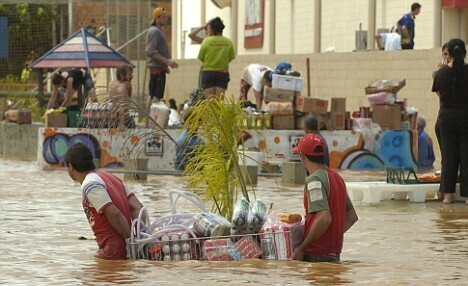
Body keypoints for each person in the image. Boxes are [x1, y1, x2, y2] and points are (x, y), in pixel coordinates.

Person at [64, 143, 144, 259]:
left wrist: (131, 242)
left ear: (70, 166)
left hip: (112, 250)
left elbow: (114, 214)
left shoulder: (90, 184)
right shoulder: (111, 177)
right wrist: (140, 243)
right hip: (124, 250)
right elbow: (137, 207)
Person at [292, 134, 358, 262]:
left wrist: (303, 247)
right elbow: (351, 217)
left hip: (315, 255)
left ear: (302, 156)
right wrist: (331, 238)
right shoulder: (338, 179)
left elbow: (324, 217)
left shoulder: (314, 180)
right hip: (334, 255)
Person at [432, 38, 468, 204]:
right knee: (466, 156)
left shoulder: (441, 73)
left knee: (448, 156)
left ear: (450, 54)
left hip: (446, 118)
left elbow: (439, 94)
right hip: (465, 117)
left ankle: (448, 196)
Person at [145, 7, 179, 121]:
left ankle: (148, 122)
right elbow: (151, 51)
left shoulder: (158, 31)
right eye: (163, 17)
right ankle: (151, 122)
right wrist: (167, 62)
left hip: (158, 68)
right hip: (157, 69)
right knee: (156, 96)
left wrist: (165, 66)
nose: (166, 19)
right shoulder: (154, 31)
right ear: (157, 18)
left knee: (152, 95)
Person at [197, 17, 235, 98]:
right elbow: (231, 58)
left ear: (212, 29)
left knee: (209, 102)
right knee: (219, 101)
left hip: (208, 72)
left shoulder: (206, 41)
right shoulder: (228, 42)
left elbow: (201, 57)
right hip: (222, 73)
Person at [432, 43, 451, 154]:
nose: (446, 57)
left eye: (448, 54)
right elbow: (440, 94)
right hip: (444, 113)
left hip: (457, 114)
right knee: (438, 129)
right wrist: (442, 74)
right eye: (444, 54)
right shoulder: (438, 74)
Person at [108, 64, 135, 129]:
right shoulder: (122, 87)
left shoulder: (112, 83)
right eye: (129, 74)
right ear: (121, 75)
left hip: (110, 117)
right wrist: (121, 124)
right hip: (119, 119)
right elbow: (122, 107)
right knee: (132, 123)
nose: (132, 76)